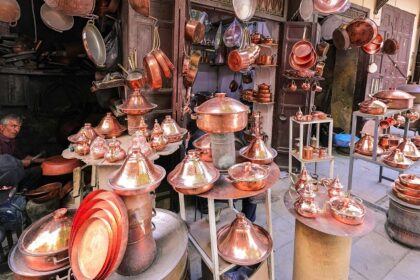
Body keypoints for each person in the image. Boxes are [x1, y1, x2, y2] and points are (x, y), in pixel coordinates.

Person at [0, 114, 44, 190]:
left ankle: (23, 192)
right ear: (1, 127)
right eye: (13, 126)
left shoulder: (11, 141)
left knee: (37, 169)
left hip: (12, 174)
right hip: (2, 179)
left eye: (19, 127)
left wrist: (43, 160)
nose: (17, 130)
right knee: (36, 171)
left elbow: (23, 156)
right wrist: (21, 163)